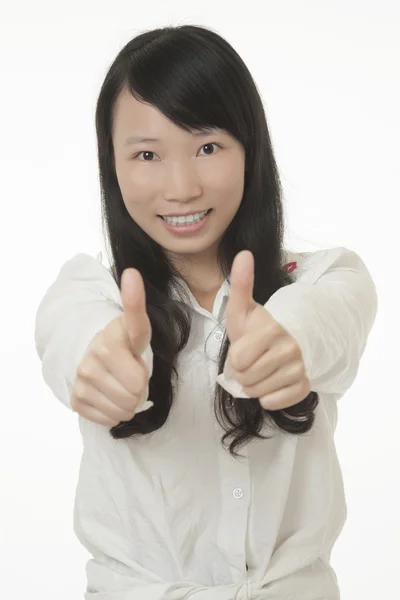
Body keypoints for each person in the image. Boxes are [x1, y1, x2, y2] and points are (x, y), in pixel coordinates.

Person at [34, 24, 378, 600]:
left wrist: (288, 341)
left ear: (251, 148)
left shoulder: (327, 277)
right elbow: (69, 333)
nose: (182, 186)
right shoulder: (90, 292)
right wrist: (98, 362)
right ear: (112, 167)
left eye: (208, 147)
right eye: (147, 154)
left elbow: (325, 319)